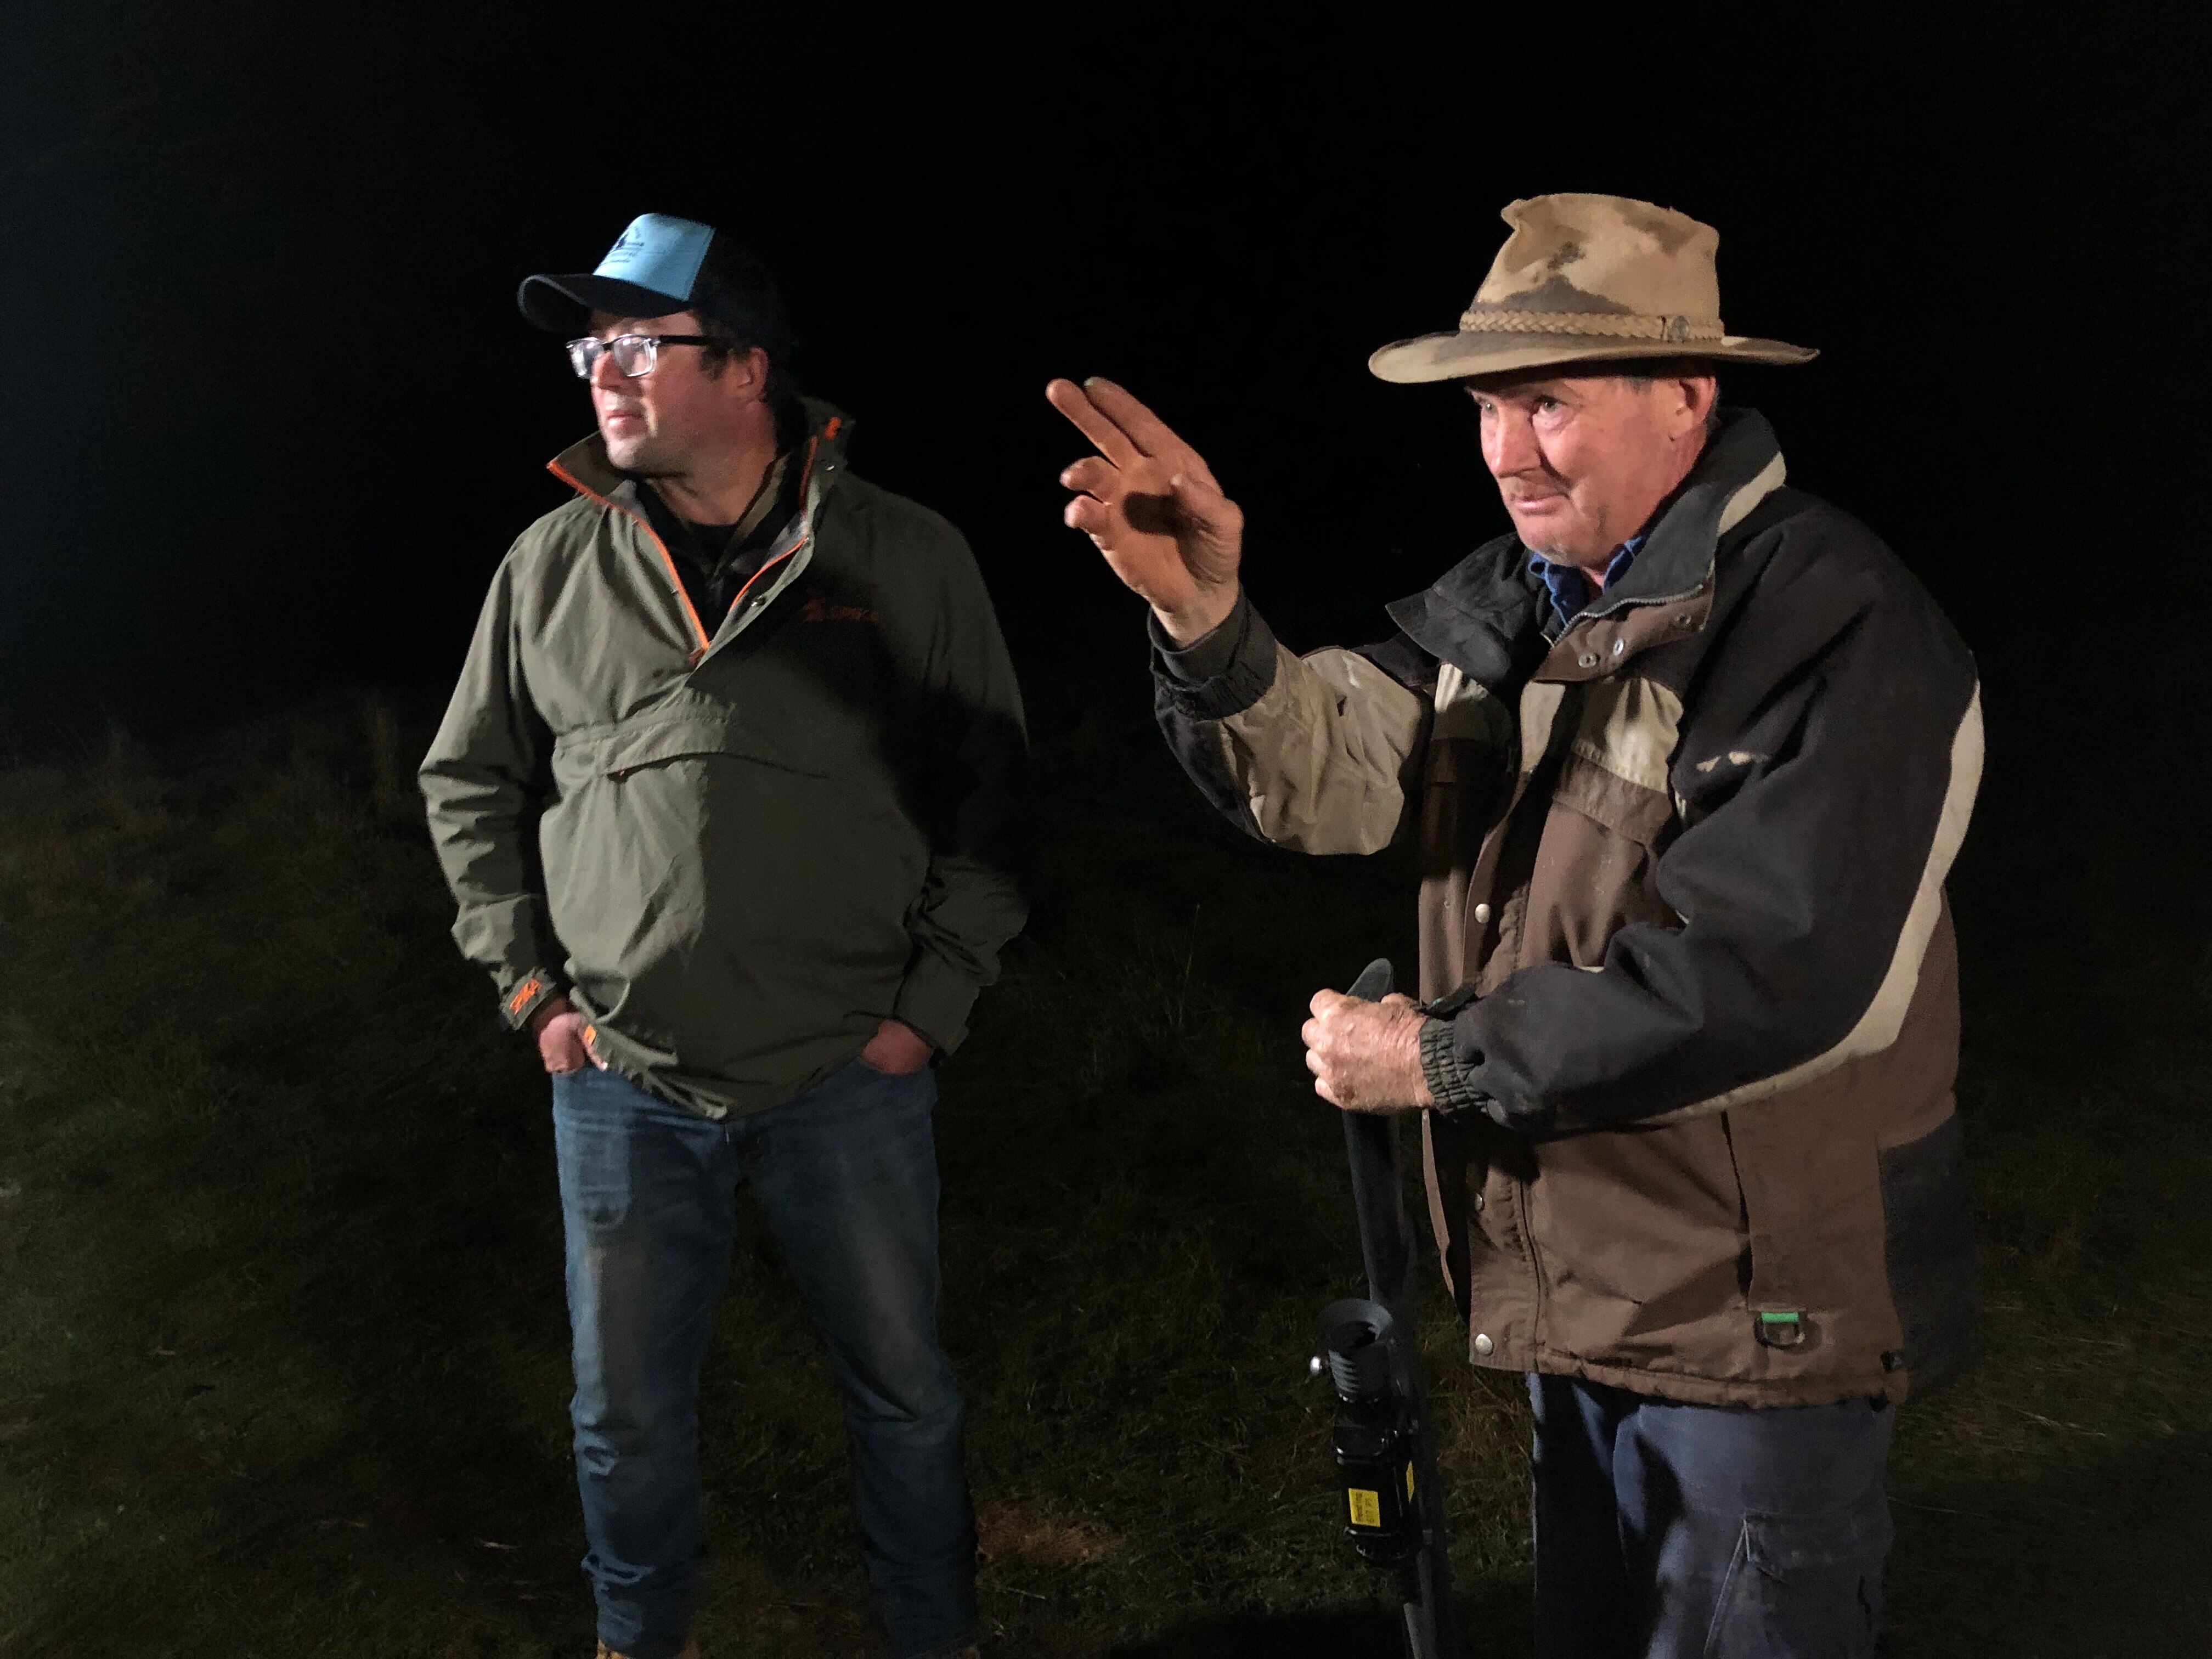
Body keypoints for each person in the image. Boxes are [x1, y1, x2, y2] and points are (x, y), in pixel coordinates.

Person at [1047, 193, 1982, 1658]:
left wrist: (1441, 1061)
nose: (1505, 448)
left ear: (1689, 393)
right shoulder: (1519, 603)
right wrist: (1206, 623)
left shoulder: (1830, 620)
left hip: (1751, 1318)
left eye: (1549, 402)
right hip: (1584, 1293)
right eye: (1487, 406)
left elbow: (1778, 973)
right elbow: (1342, 780)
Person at [421, 212, 1022, 1659]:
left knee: (903, 1393)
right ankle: (642, 1640)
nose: (603, 377)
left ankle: (931, 1637)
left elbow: (994, 795)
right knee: (622, 1416)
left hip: (845, 1075)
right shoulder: (551, 566)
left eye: (638, 343)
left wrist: (928, 1006)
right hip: (621, 1084)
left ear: (747, 368)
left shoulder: (905, 555)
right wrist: (527, 988)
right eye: (591, 348)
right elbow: (468, 779)